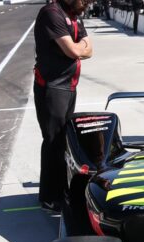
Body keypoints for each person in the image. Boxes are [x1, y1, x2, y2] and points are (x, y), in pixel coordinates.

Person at [33, 0, 93, 212]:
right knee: (53, 141)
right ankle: (50, 197)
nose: (87, 3)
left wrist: (80, 48)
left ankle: (60, 190)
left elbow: (89, 48)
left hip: (68, 86)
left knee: (64, 140)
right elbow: (73, 51)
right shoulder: (52, 13)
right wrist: (80, 48)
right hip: (51, 87)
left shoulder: (74, 13)